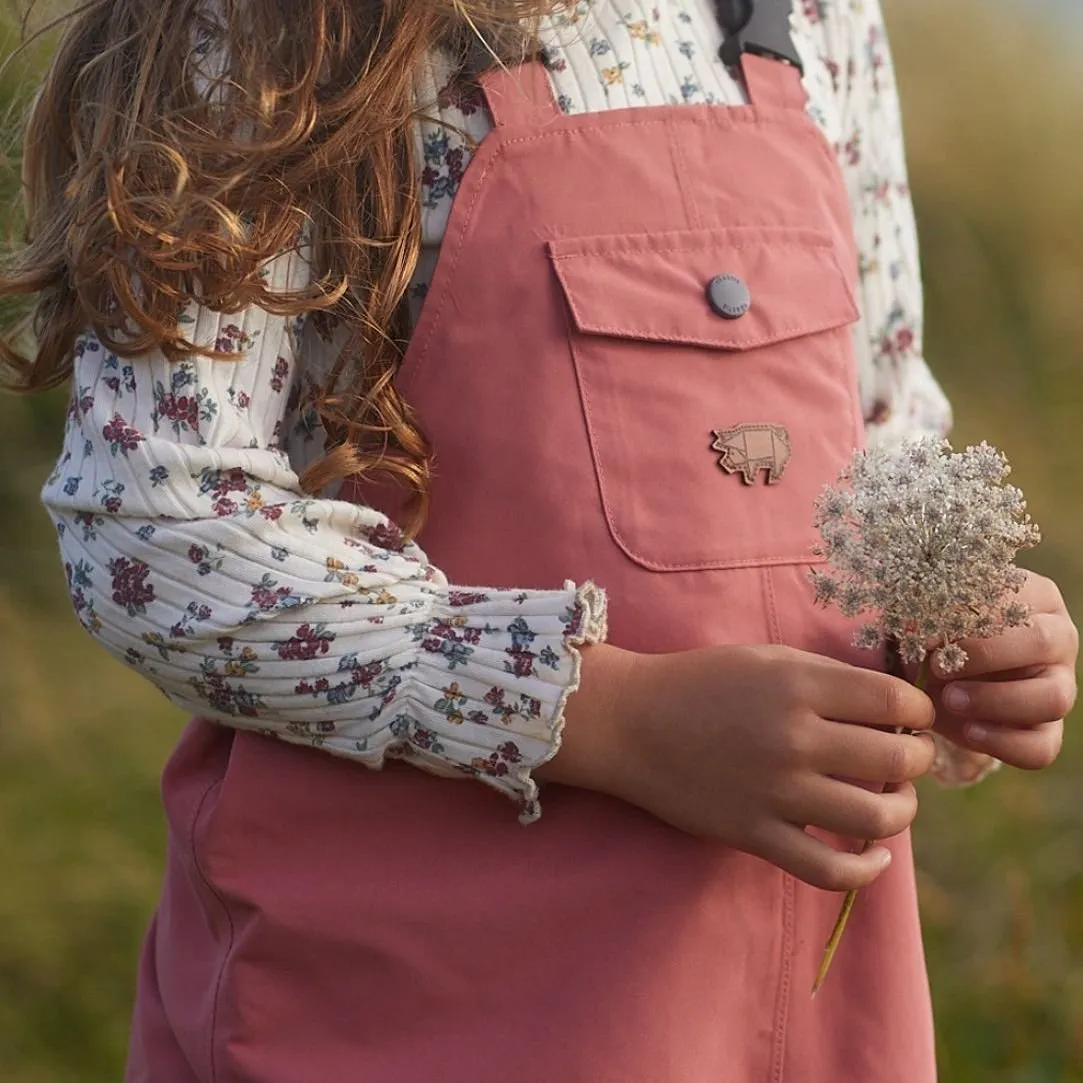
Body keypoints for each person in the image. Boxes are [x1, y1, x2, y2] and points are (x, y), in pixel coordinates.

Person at [2, 0, 1076, 1078]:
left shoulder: (814, 15)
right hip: (409, 1003)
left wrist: (947, 620)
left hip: (796, 1007)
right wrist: (612, 722)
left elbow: (875, 426)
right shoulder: (273, 30)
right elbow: (160, 528)